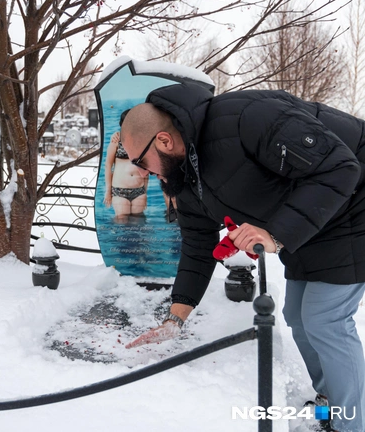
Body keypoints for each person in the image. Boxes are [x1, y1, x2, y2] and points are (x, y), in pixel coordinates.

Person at [120, 82, 365, 432]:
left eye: (140, 161)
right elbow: (197, 245)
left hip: (354, 198)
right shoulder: (184, 177)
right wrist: (175, 319)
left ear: (163, 141)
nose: (141, 172)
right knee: (297, 315)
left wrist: (275, 233)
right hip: (315, 217)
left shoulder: (247, 117)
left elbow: (341, 167)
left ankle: (351, 423)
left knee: (325, 320)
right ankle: (333, 399)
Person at [103, 130, 149, 222]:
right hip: (119, 191)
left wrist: (145, 191)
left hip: (139, 190)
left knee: (139, 223)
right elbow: (108, 166)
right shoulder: (116, 141)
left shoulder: (143, 140)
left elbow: (146, 166)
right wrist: (108, 191)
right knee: (121, 222)